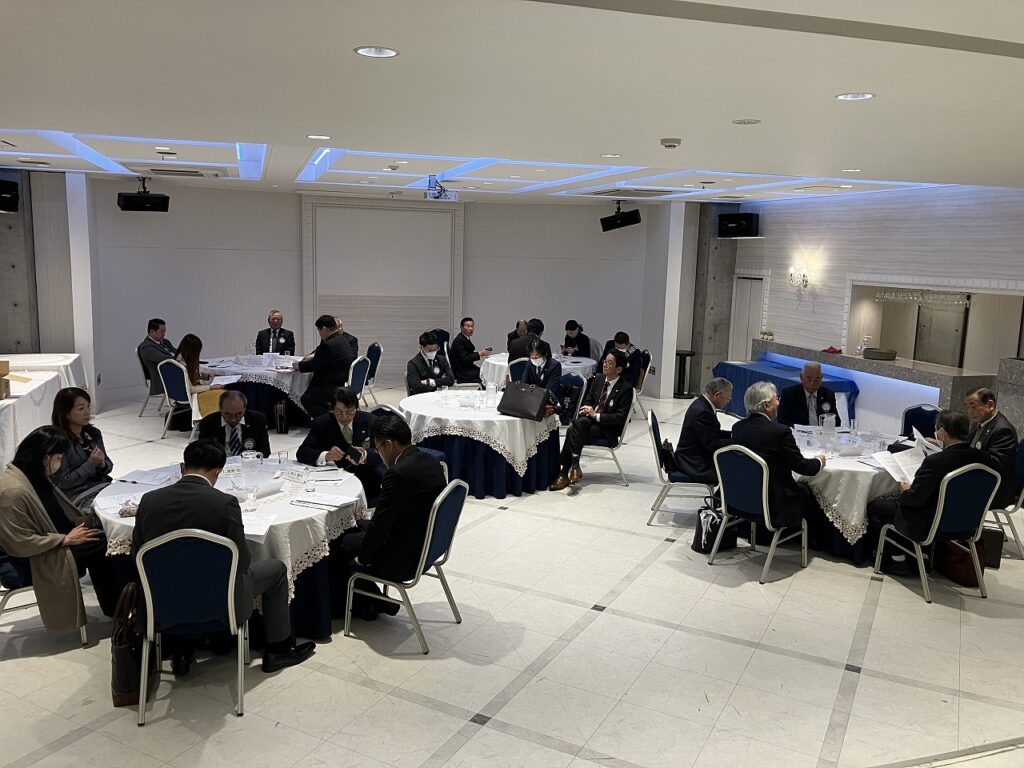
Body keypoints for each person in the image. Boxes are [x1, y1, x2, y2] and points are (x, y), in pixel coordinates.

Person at [132, 440, 315, 674]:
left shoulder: (149, 500)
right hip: (219, 600)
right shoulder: (224, 503)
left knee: (176, 571)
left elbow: (137, 555)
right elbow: (242, 562)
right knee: (277, 570)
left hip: (162, 601)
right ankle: (279, 650)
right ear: (218, 472)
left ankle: (181, 648)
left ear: (182, 467)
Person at [0, 426, 120, 627]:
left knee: (110, 536)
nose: (60, 463)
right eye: (58, 458)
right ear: (45, 457)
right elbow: (19, 542)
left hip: (52, 542)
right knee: (103, 547)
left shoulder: (33, 477)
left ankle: (120, 605)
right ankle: (117, 609)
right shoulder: (13, 491)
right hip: (31, 559)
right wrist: (65, 539)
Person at [333, 413, 447, 619]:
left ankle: (365, 605)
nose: (379, 455)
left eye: (378, 449)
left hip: (404, 557)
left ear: (388, 444)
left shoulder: (397, 474)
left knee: (337, 544)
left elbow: (380, 525)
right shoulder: (431, 461)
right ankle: (376, 601)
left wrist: (362, 559)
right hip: (427, 542)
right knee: (354, 525)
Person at [866, 410, 995, 572]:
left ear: (942, 432)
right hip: (969, 524)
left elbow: (914, 500)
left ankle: (894, 559)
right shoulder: (984, 459)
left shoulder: (936, 461)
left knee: (877, 506)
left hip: (931, 525)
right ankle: (921, 557)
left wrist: (905, 491)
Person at [730, 382, 825, 531]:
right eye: (776, 399)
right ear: (766, 405)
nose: (779, 403)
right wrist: (819, 461)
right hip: (774, 504)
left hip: (741, 497)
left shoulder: (737, 428)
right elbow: (803, 467)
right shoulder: (780, 432)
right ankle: (811, 538)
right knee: (808, 491)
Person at [550, 349, 634, 490]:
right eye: (605, 361)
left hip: (608, 430)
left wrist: (596, 415)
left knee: (572, 430)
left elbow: (620, 418)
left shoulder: (625, 389)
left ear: (619, 369)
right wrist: (588, 410)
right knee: (581, 423)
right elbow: (588, 400)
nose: (605, 365)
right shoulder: (599, 379)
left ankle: (565, 472)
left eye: (610, 363)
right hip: (589, 424)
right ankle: (574, 467)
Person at [297, 387, 385, 502]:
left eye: (349, 412)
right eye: (339, 412)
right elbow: (302, 453)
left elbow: (385, 451)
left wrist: (365, 455)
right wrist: (326, 455)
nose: (344, 416)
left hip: (367, 479)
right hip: (333, 483)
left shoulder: (370, 421)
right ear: (332, 408)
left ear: (356, 408)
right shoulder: (321, 424)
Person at [50, 387, 114, 510]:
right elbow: (63, 481)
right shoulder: (58, 442)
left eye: (88, 407)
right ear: (66, 413)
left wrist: (102, 464)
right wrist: (90, 464)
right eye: (81, 408)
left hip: (103, 487)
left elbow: (109, 465)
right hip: (79, 496)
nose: (87, 412)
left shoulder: (93, 433)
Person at [965, 387, 1019, 509]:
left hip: (995, 489)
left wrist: (967, 456)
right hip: (978, 478)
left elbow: (994, 463)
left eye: (973, 407)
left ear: (990, 405)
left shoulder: (1003, 430)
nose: (970, 412)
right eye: (967, 407)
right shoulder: (978, 423)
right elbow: (967, 447)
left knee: (945, 487)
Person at [673, 378, 733, 486]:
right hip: (694, 463)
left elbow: (713, 432)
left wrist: (733, 435)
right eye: (728, 398)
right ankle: (722, 497)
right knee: (734, 471)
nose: (729, 401)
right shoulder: (703, 412)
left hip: (694, 456)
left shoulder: (702, 404)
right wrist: (737, 442)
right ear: (717, 395)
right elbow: (713, 444)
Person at [295, 314, 355, 418]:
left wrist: (299, 366)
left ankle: (329, 420)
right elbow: (326, 359)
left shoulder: (327, 345)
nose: (319, 334)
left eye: (319, 331)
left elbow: (315, 365)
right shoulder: (342, 339)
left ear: (324, 329)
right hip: (342, 380)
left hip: (331, 385)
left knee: (306, 399)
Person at [196, 390, 272, 458]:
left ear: (244, 408)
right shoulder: (208, 423)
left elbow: (265, 450)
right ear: (220, 409)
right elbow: (205, 451)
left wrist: (249, 458)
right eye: (227, 414)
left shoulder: (257, 420)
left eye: (238, 414)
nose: (233, 419)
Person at [778, 361, 841, 427]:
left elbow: (836, 421)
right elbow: (782, 421)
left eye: (816, 379)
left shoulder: (828, 395)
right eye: (809, 379)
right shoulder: (789, 394)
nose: (812, 383)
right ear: (801, 377)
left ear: (821, 378)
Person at [138, 318, 176, 396]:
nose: (164, 334)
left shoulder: (165, 342)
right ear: (152, 332)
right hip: (162, 378)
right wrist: (181, 358)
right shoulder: (146, 347)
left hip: (174, 372)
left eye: (164, 331)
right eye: (162, 332)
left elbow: (177, 353)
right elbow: (166, 359)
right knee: (192, 376)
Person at [449, 316, 492, 385]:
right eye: (468, 326)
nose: (471, 329)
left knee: (485, 371)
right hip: (462, 372)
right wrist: (480, 354)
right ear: (461, 327)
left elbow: (467, 354)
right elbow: (465, 359)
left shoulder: (464, 338)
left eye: (472, 326)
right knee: (487, 374)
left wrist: (480, 353)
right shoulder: (459, 341)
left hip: (466, 368)